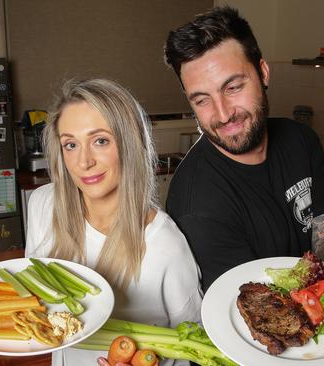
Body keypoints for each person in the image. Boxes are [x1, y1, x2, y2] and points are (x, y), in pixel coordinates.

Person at [163, 7, 324, 292]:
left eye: (233, 87)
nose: (223, 114)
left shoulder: (301, 140)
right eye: (202, 100)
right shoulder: (196, 202)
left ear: (263, 72)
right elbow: (248, 311)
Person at [25, 79, 202, 366]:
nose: (84, 161)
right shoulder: (42, 206)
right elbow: (37, 299)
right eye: (70, 144)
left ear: (129, 145)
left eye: (100, 141)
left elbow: (195, 344)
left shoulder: (165, 245)